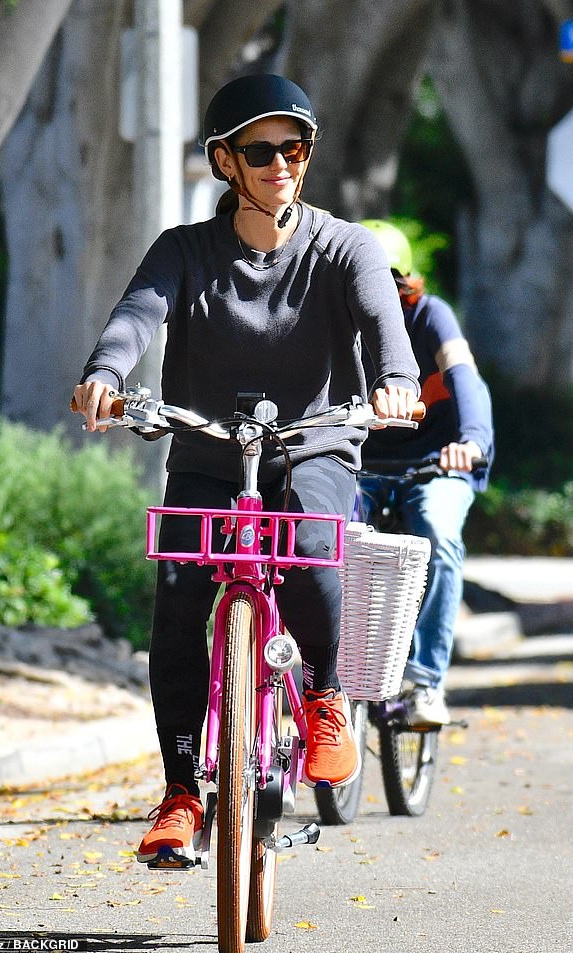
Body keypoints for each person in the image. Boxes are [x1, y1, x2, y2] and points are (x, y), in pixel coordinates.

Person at [72, 75, 421, 868]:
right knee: (176, 600)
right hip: (205, 453)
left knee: (307, 546)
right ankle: (181, 794)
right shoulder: (185, 249)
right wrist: (105, 373)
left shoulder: (345, 246)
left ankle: (327, 697)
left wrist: (395, 380)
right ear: (225, 162)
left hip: (314, 444)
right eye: (260, 151)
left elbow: (380, 319)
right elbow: (138, 316)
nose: (280, 165)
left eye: (293, 148)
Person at [358, 220, 494, 727]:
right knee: (321, 539)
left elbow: (465, 379)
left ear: (406, 284)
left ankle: (426, 683)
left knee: (437, 532)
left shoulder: (432, 317)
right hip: (358, 466)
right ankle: (322, 674)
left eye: (385, 284)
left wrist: (473, 441)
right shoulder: (331, 323)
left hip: (437, 460)